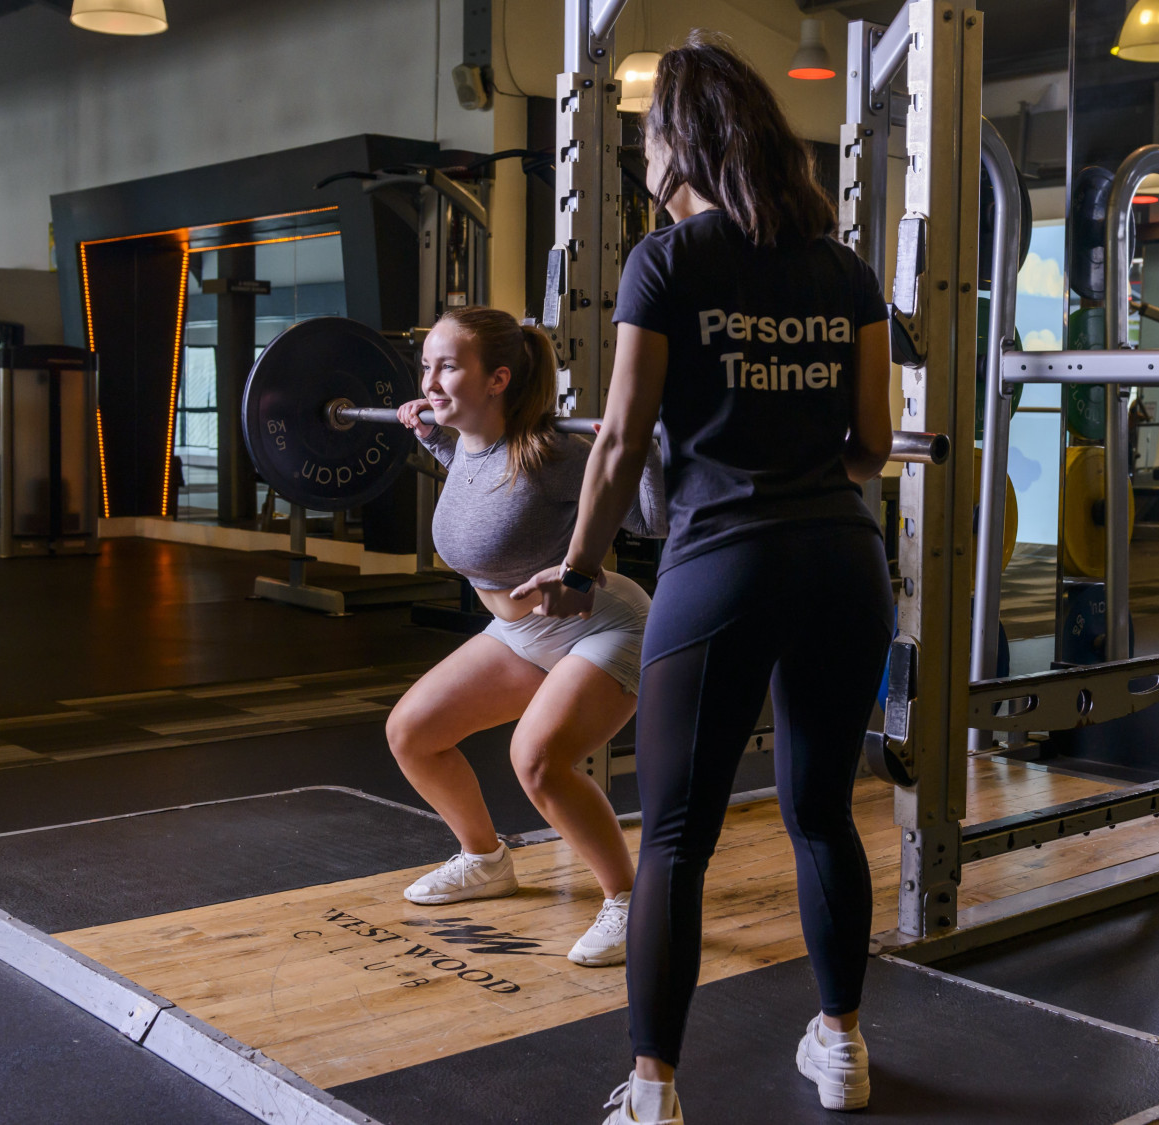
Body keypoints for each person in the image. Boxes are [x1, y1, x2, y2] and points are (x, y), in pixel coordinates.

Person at [512, 33, 895, 1124]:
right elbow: (872, 438)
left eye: (645, 137)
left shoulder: (668, 261)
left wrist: (580, 566)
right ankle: (843, 1047)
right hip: (842, 561)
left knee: (676, 835)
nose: (641, 157)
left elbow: (623, 434)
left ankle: (652, 1093)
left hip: (723, 563)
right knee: (823, 817)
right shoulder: (845, 267)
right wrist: (799, 453)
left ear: (679, 143)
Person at [386, 306, 666, 968]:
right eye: (425, 366)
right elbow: (482, 488)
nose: (430, 380)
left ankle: (629, 899)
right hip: (522, 632)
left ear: (498, 379)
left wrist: (640, 447)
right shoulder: (464, 446)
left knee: (535, 761)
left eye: (448, 366)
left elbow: (652, 522)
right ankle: (484, 859)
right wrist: (432, 437)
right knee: (413, 733)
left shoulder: (555, 455)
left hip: (601, 624)